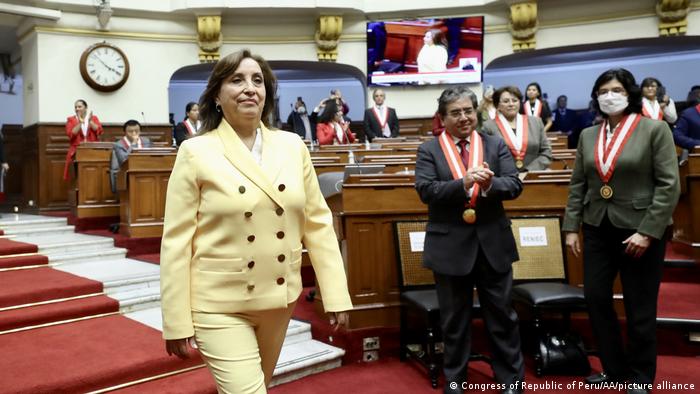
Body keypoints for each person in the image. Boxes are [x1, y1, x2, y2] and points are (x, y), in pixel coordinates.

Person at [159, 49, 353, 393]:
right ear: (217, 95)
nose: (250, 88)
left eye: (258, 80)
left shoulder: (293, 146)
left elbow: (319, 225)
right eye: (237, 79)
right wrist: (175, 319)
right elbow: (176, 241)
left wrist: (335, 293)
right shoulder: (195, 152)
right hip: (218, 305)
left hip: (279, 299)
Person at [563, 68, 680, 394]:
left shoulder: (654, 130)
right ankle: (614, 369)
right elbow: (578, 185)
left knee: (639, 305)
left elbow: (669, 186)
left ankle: (641, 375)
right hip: (598, 226)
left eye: (615, 89)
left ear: (629, 93)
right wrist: (572, 225)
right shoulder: (589, 134)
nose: (609, 95)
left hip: (640, 230)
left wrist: (648, 231)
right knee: (596, 298)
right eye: (602, 90)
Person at [415, 86, 525, 394]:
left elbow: (514, 185)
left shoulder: (494, 143)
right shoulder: (429, 150)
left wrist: (489, 186)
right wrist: (462, 184)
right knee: (454, 321)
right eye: (455, 112)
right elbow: (426, 191)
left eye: (468, 111)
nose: (463, 118)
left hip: (493, 244)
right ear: (442, 117)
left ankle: (511, 380)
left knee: (503, 315)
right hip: (450, 247)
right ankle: (455, 380)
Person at [482, 86, 552, 172]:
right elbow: (488, 157)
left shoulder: (536, 122)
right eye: (506, 101)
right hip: (505, 178)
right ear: (498, 106)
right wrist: (511, 175)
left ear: (519, 103)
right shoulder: (488, 126)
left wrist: (528, 171)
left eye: (515, 101)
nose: (511, 104)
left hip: (533, 175)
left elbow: (546, 151)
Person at [64, 99, 103, 180]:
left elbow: (99, 131)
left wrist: (90, 121)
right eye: (75, 107)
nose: (77, 109)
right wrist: (80, 123)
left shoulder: (93, 118)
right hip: (76, 151)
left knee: (92, 175)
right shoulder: (71, 119)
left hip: (92, 150)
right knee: (78, 176)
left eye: (79, 106)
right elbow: (71, 134)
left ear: (86, 108)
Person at [110, 119, 152, 194]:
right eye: (130, 131)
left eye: (137, 131)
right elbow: (123, 161)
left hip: (145, 171)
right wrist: (133, 144)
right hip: (127, 175)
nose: (134, 133)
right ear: (125, 132)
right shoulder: (119, 144)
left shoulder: (146, 141)